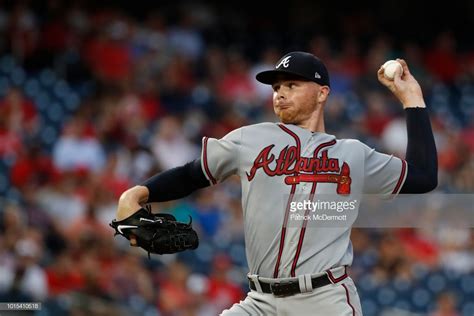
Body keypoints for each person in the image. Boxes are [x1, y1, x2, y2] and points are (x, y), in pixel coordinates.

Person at [115, 51, 437, 315]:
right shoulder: (250, 139)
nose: (280, 93)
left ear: (322, 92)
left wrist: (412, 97)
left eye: (292, 84)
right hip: (260, 301)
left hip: (323, 300)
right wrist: (138, 192)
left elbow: (422, 176)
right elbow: (191, 174)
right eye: (276, 87)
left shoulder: (354, 154)